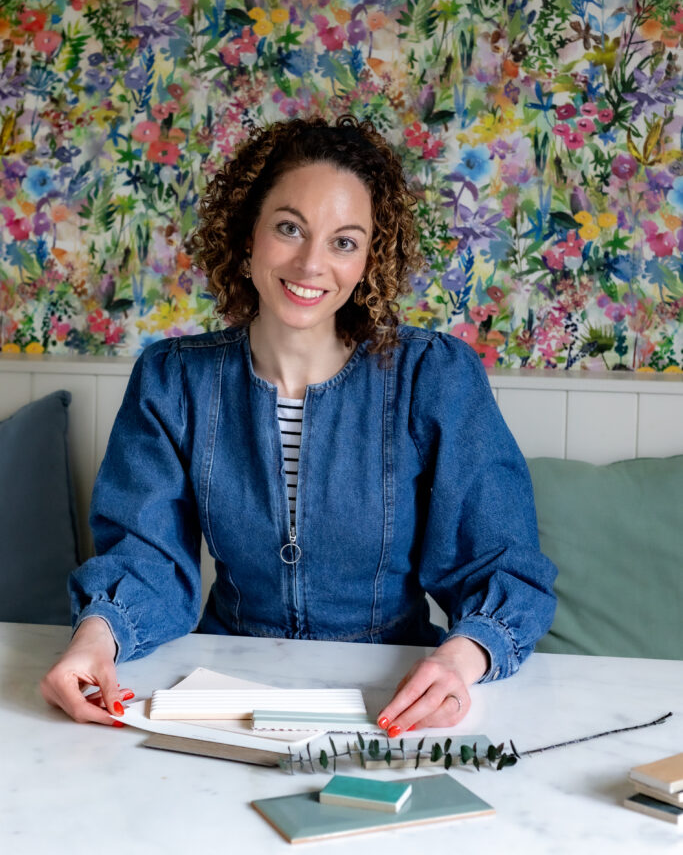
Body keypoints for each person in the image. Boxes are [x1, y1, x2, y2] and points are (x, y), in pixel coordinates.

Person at [41, 115, 557, 735]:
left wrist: (459, 657)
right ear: (248, 234)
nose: (313, 264)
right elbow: (145, 557)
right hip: (217, 697)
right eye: (290, 228)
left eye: (344, 241)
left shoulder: (435, 376)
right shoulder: (173, 379)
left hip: (393, 696)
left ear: (370, 259)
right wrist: (95, 640)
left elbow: (501, 564)